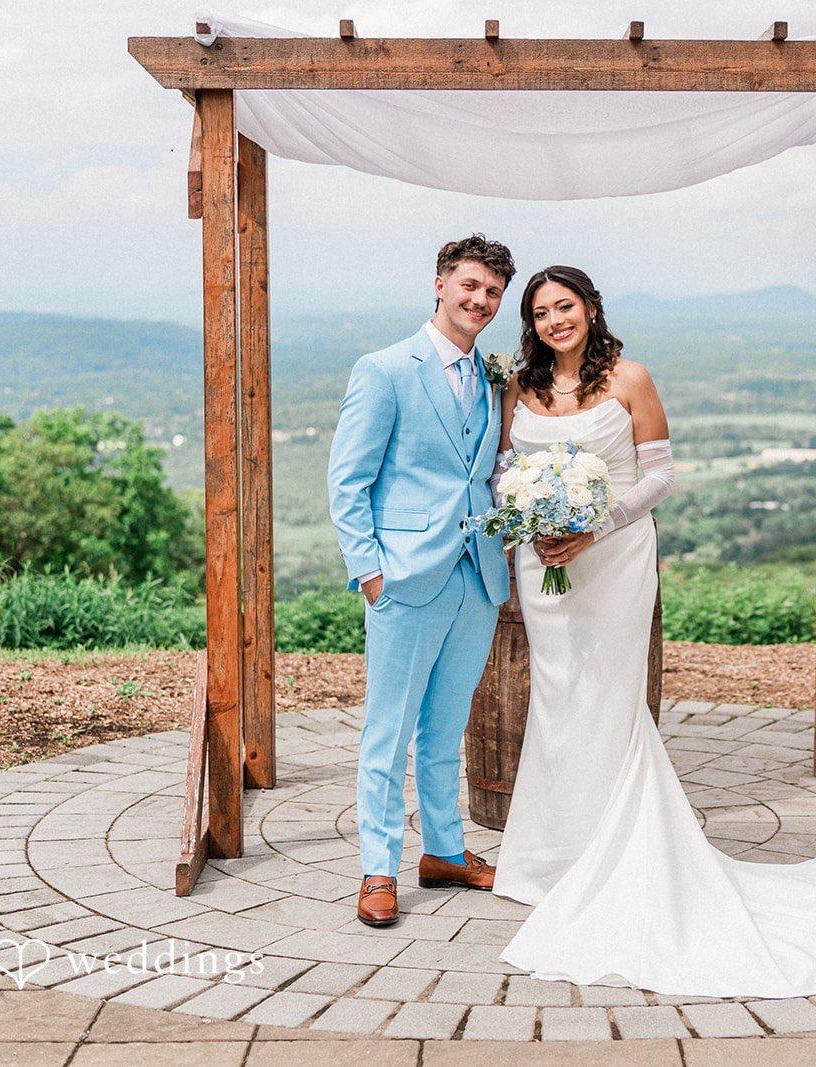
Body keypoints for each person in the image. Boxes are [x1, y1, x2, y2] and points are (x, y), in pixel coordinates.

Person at [491, 265, 816, 997]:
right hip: (541, 560)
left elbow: (659, 476)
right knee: (556, 695)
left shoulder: (631, 378)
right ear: (531, 324)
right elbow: (505, 467)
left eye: (565, 306)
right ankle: (550, 858)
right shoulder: (521, 386)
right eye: (541, 312)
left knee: (607, 695)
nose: (554, 321)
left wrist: (593, 526)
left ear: (591, 307)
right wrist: (533, 520)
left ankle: (614, 852)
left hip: (613, 559)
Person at [327, 234, 516, 926]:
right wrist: (370, 573)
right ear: (440, 284)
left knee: (446, 729)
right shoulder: (384, 370)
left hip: (477, 578)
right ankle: (378, 868)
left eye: (492, 292)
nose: (480, 300)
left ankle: (443, 851)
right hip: (405, 579)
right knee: (389, 731)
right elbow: (348, 481)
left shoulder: (494, 378)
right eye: (470, 285)